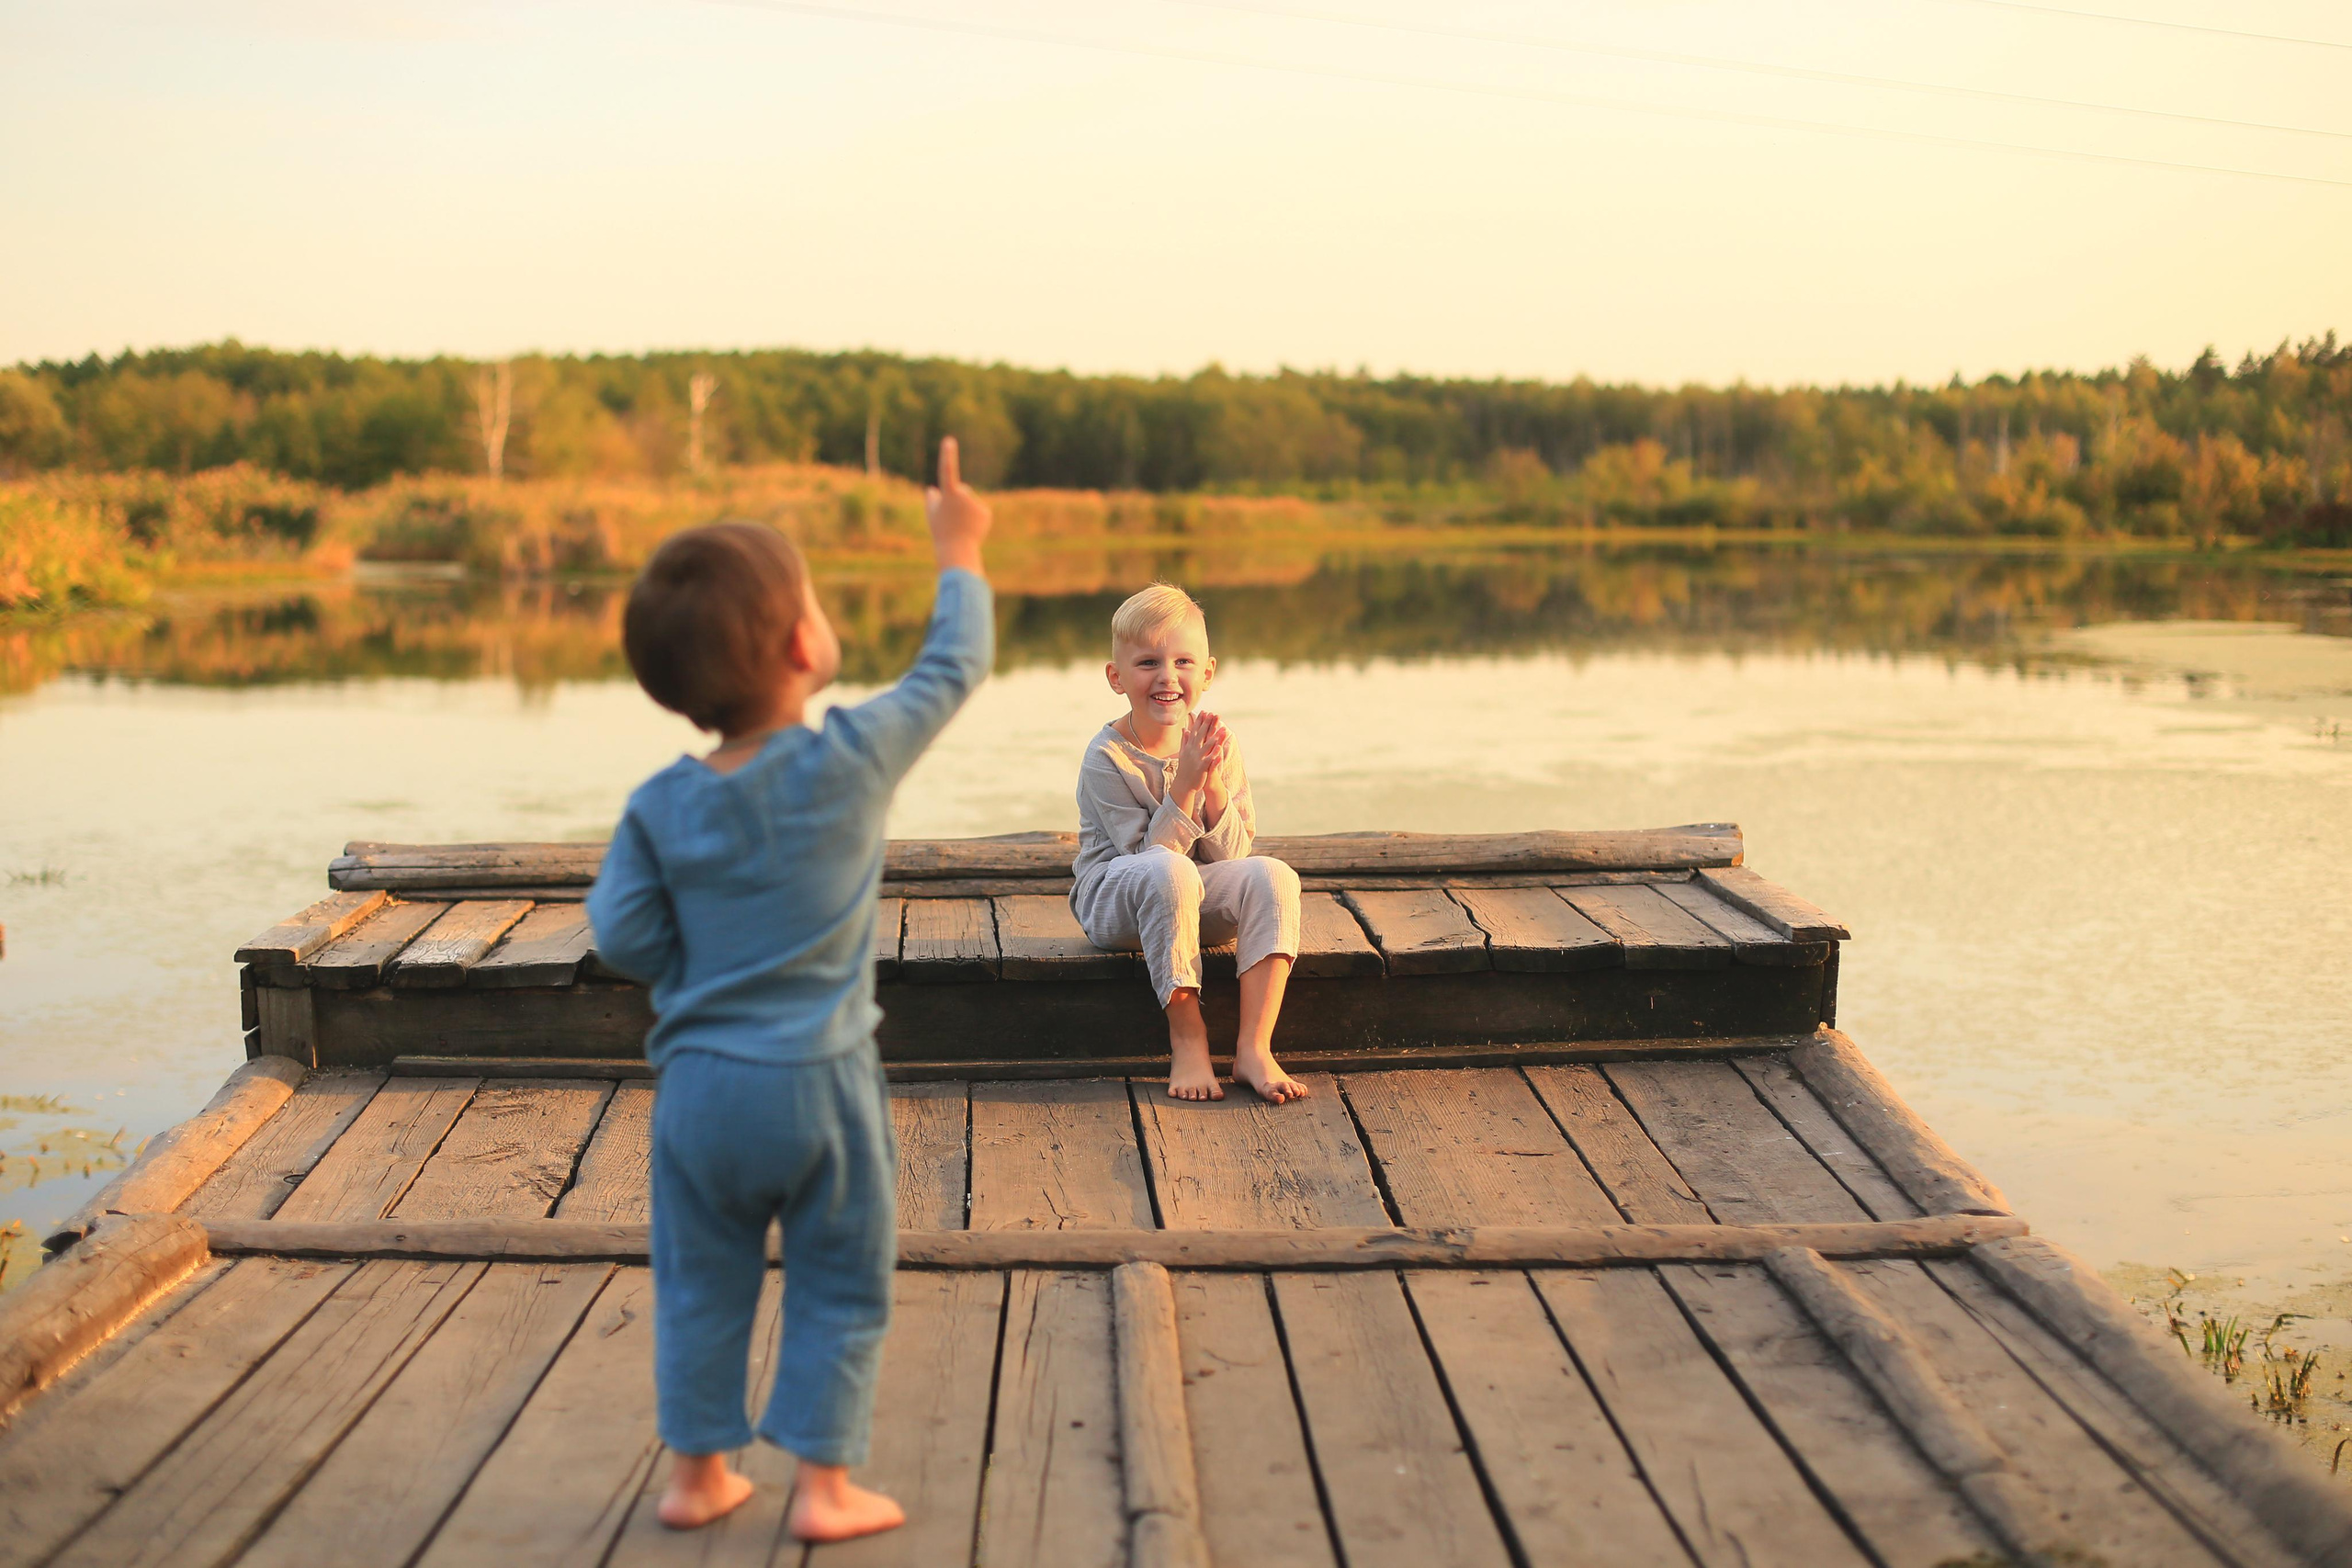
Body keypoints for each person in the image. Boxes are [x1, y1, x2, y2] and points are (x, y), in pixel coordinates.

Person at [586, 438, 992, 1539]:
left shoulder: (657, 804)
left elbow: (620, 933)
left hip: (702, 1092)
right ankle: (821, 1488)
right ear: (806, 641)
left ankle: (696, 1478)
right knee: (838, 1279)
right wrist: (956, 552)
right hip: (820, 1084)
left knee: (700, 1282)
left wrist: (702, 970)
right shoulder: (849, 759)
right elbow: (951, 669)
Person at [1069, 582, 1307, 1103]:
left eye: (1183, 662)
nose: (1167, 677)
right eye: (1148, 662)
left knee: (1273, 874)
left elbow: (1233, 858)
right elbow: (1146, 863)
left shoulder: (1216, 741)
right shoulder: (1107, 757)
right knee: (1169, 872)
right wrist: (1184, 786)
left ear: (1207, 672)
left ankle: (1253, 1048)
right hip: (1117, 901)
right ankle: (1189, 1038)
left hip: (1193, 897)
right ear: (1116, 677)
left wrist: (1214, 784)